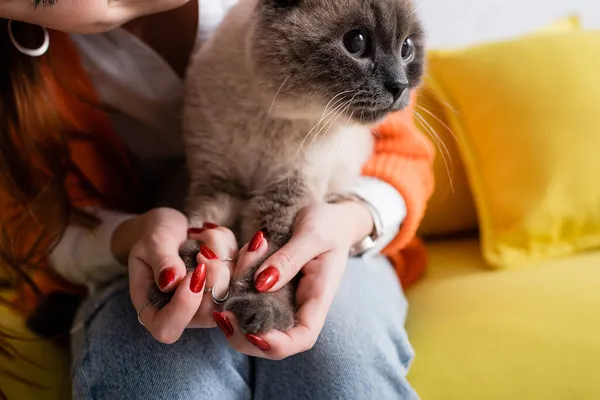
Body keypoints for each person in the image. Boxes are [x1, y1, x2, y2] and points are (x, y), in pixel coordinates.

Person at [0, 1, 434, 399]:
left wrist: (348, 220)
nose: (399, 79)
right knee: (156, 378)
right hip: (130, 262)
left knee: (341, 363)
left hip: (337, 236)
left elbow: (402, 154)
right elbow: (33, 228)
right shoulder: (27, 62)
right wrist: (132, 236)